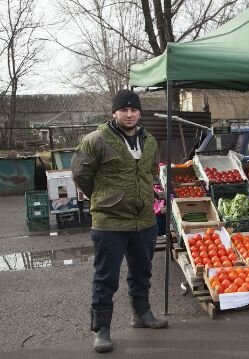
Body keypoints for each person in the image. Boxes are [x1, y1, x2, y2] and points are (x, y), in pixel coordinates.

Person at [71, 89, 168, 353]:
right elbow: (80, 175)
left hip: (143, 220)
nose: (129, 114)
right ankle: (101, 329)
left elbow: (150, 173)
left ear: (139, 113)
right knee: (106, 277)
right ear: (114, 112)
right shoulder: (96, 140)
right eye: (124, 110)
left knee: (142, 271)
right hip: (109, 222)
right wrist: (103, 198)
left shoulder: (149, 141)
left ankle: (142, 314)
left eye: (133, 110)